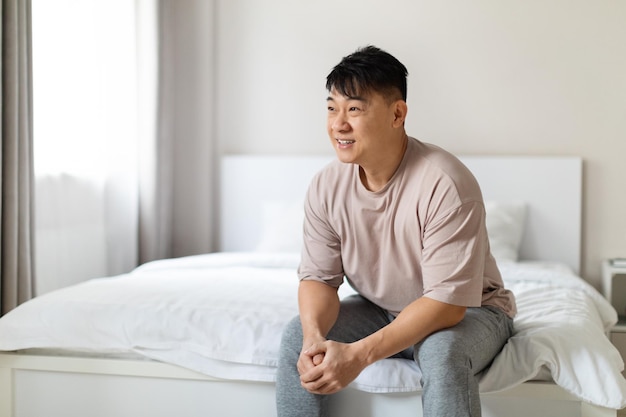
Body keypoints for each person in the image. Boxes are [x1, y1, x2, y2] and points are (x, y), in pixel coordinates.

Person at [275, 45, 516, 417]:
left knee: (441, 353)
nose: (339, 123)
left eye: (354, 109)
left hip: (471, 312)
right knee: (297, 337)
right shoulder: (326, 186)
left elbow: (447, 305)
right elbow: (319, 280)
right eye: (331, 108)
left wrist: (359, 354)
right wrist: (314, 338)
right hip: (381, 309)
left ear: (397, 114)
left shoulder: (444, 183)